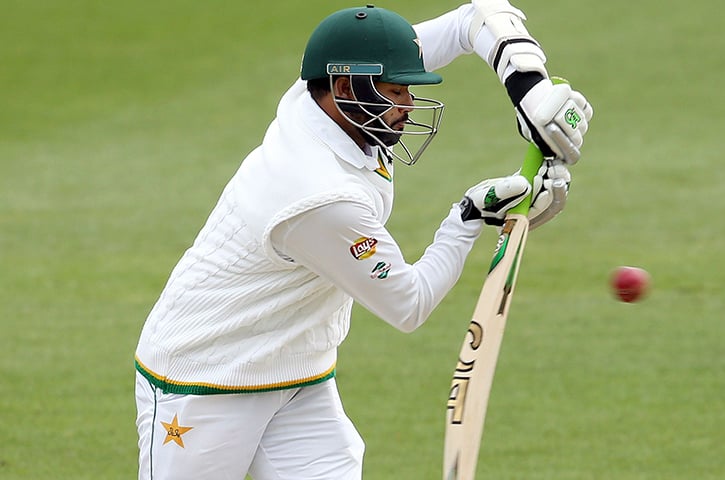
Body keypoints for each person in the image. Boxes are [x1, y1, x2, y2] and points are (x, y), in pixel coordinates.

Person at [133, 2, 593, 479]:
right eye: (397, 92)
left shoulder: (324, 93)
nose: (409, 106)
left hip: (299, 372)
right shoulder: (316, 195)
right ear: (346, 88)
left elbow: (477, 18)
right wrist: (468, 216)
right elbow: (408, 304)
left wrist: (530, 89)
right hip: (205, 380)